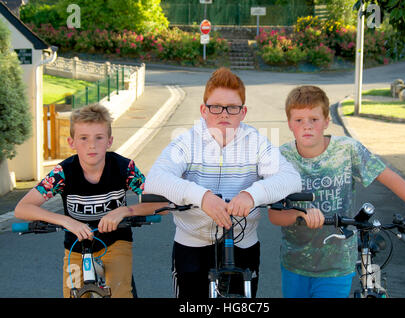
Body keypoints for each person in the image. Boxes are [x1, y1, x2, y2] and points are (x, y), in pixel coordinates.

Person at [268, 85, 405, 298]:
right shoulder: (281, 157)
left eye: (314, 119)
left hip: (338, 264)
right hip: (295, 263)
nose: (307, 126)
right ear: (289, 124)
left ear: (326, 122)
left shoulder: (347, 150)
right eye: (299, 120)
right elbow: (274, 215)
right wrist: (299, 214)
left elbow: (390, 177)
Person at [144, 67, 303, 298]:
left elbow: (291, 178)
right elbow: (155, 180)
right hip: (192, 244)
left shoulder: (256, 143)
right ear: (203, 110)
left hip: (243, 244)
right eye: (215, 107)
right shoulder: (187, 142)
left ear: (243, 112)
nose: (224, 114)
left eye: (232, 108)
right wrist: (202, 197)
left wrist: (251, 195)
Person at [15, 104, 165, 298]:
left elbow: (161, 205)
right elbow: (22, 208)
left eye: (99, 138)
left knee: (119, 292)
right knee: (73, 294)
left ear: (109, 141)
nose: (91, 145)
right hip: (76, 248)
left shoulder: (124, 167)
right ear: (71, 142)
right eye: (83, 138)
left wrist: (124, 212)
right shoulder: (63, 173)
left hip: (115, 243)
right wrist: (66, 221)